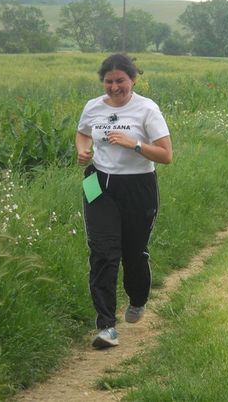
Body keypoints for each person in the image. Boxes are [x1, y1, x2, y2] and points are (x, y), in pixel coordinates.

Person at [76, 54, 173, 349]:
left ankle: (138, 297)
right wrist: (84, 151)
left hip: (138, 186)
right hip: (99, 184)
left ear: (133, 80)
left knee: (133, 253)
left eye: (120, 81)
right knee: (103, 253)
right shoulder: (93, 107)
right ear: (102, 81)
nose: (114, 87)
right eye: (108, 81)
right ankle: (106, 325)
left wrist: (135, 144)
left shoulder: (146, 109)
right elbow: (82, 134)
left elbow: (166, 155)